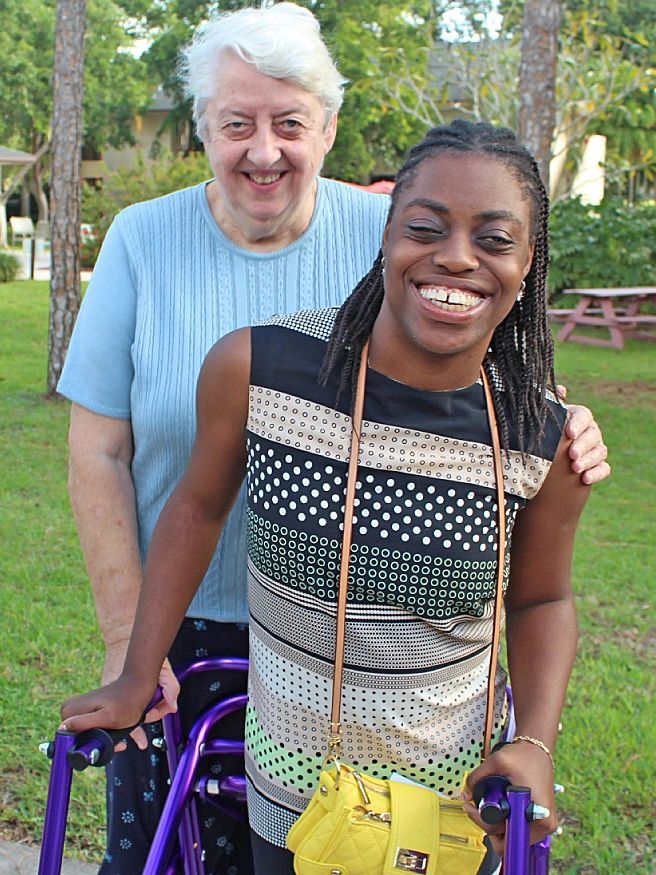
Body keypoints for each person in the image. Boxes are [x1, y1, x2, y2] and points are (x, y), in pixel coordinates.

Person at [57, 3, 608, 871]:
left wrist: (534, 739)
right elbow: (155, 481)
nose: (454, 255)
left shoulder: (528, 419)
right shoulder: (224, 326)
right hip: (255, 723)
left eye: (290, 123)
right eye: (236, 123)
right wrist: (134, 660)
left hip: (442, 796)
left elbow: (539, 589)